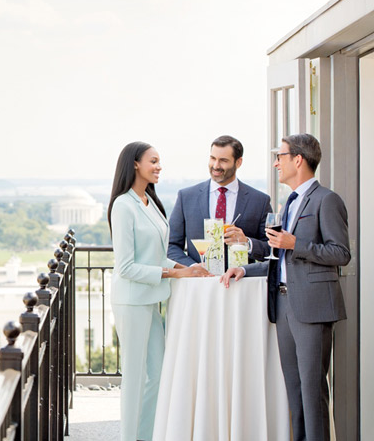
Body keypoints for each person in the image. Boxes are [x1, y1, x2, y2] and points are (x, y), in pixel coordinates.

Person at [220, 133, 350, 441]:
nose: (276, 162)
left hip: (313, 309)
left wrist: (296, 243)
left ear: (298, 160)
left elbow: (341, 253)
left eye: (281, 155)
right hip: (283, 306)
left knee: (312, 389)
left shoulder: (326, 200)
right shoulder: (289, 203)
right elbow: (281, 259)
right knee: (294, 389)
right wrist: (244, 268)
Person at [108, 142, 210, 441]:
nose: (159, 166)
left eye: (159, 161)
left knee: (157, 372)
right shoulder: (123, 205)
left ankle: (148, 434)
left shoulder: (149, 202)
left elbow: (155, 256)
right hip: (131, 301)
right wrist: (174, 272)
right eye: (153, 161)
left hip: (151, 300)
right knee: (136, 376)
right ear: (135, 164)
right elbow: (126, 266)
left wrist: (187, 269)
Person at [168, 135, 272, 270]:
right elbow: (171, 246)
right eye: (213, 158)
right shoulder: (186, 197)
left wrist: (246, 242)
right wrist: (193, 267)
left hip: (241, 285)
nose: (216, 166)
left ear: (238, 162)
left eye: (223, 160)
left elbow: (271, 248)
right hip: (198, 284)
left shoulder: (259, 201)